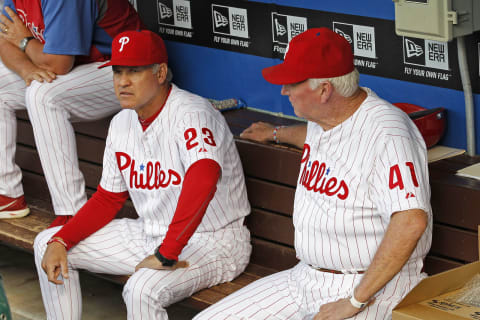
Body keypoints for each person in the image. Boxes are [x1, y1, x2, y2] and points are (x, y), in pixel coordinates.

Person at [194, 27, 432, 320]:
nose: (283, 90)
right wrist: (276, 133)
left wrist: (355, 301)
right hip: (305, 278)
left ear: (324, 90)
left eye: (292, 83)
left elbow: (411, 221)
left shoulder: (389, 133)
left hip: (370, 289)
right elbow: (321, 135)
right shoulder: (326, 117)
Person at [33, 30, 251, 319]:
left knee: (141, 289)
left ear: (160, 73)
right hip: (149, 233)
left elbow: (204, 176)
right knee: (47, 244)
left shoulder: (193, 113)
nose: (122, 82)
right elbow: (108, 199)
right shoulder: (122, 122)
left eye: (134, 72)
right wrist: (62, 240)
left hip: (212, 241)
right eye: (117, 72)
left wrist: (167, 252)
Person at [0, 0, 142, 226]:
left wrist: (25, 41)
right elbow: (4, 40)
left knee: (43, 94)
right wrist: (27, 69)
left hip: (124, 68)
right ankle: (7, 194)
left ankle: (73, 215)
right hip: (78, 64)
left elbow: (59, 64)